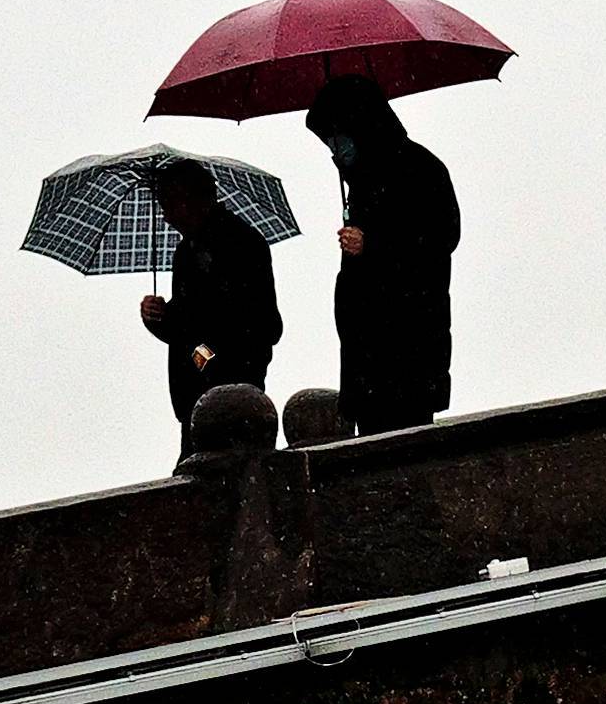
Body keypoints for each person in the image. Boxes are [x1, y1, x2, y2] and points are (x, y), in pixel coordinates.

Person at [314, 81, 460, 435]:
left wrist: (374, 244)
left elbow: (440, 239)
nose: (336, 148)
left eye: (339, 136)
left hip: (409, 350)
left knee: (407, 445)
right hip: (367, 357)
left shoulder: (421, 169)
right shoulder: (361, 182)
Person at [133, 157, 282, 443]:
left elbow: (261, 325)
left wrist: (207, 357)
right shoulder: (186, 252)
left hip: (233, 396)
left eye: (168, 205)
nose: (166, 217)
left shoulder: (241, 243)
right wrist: (157, 317)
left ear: (188, 201)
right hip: (195, 400)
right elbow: (185, 328)